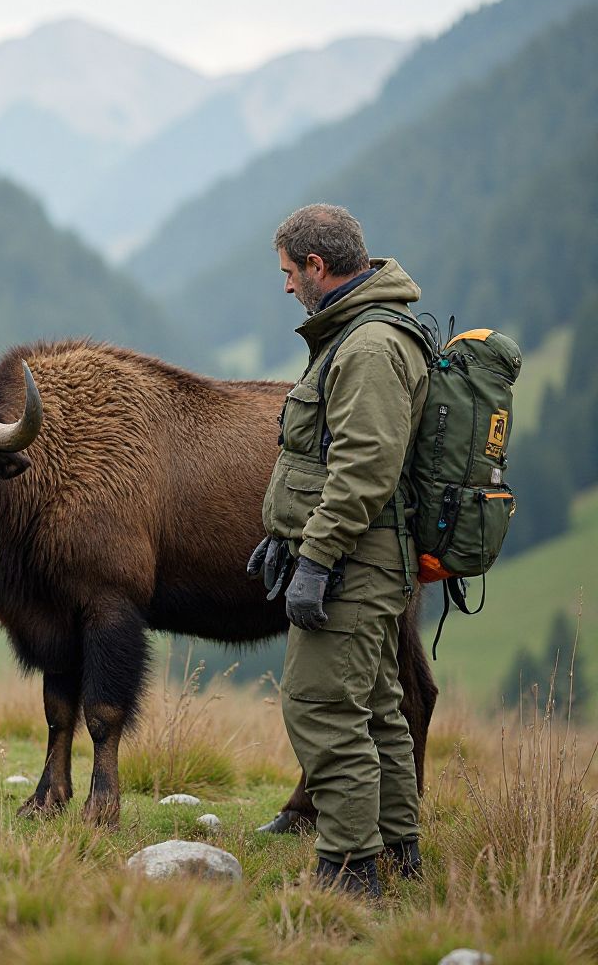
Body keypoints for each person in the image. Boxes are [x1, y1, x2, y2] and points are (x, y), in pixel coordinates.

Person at [248, 204, 428, 896]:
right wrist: (282, 535)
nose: (288, 286)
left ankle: (351, 870)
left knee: (320, 703)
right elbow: (322, 456)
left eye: (291, 273)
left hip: (359, 560)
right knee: (377, 704)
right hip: (363, 553)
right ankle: (398, 851)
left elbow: (365, 466)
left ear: (318, 267)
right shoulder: (355, 336)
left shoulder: (370, 347)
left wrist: (317, 557)